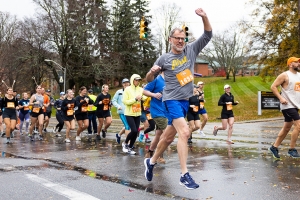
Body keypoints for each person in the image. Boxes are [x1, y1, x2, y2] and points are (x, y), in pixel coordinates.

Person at [143, 8, 212, 190]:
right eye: (177, 38)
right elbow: (148, 80)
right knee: (185, 132)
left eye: (183, 38)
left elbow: (208, 34)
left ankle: (151, 161)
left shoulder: (191, 51)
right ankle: (184, 174)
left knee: (167, 138)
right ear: (170, 40)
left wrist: (204, 17)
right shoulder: (164, 58)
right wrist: (152, 72)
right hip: (171, 100)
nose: (181, 41)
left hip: (185, 100)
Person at [269, 57, 300, 159]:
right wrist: (281, 98)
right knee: (298, 125)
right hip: (287, 105)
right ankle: (292, 150)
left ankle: (274, 147)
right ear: (290, 64)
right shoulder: (284, 75)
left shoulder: (299, 75)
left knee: (287, 127)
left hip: (295, 105)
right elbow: (273, 86)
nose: (298, 63)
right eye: (296, 62)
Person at [143, 71, 168, 163]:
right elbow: (144, 91)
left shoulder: (170, 79)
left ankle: (150, 152)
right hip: (157, 111)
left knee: (158, 135)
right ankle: (159, 156)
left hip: (166, 111)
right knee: (167, 135)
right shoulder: (156, 80)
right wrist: (154, 94)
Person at [122, 74, 145, 155]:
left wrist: (142, 98)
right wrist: (135, 99)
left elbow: (144, 97)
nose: (137, 82)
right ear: (132, 80)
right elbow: (125, 101)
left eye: (138, 80)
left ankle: (130, 147)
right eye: (136, 80)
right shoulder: (127, 89)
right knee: (134, 130)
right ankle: (125, 143)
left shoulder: (141, 89)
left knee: (136, 132)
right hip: (129, 113)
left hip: (137, 113)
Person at [112, 78, 131, 144]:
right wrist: (118, 106)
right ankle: (128, 143)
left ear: (129, 83)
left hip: (130, 112)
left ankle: (119, 135)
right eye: (124, 83)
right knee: (127, 126)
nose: (126, 84)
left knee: (129, 126)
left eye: (127, 82)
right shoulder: (119, 92)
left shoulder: (131, 91)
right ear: (122, 84)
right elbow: (113, 100)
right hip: (122, 112)